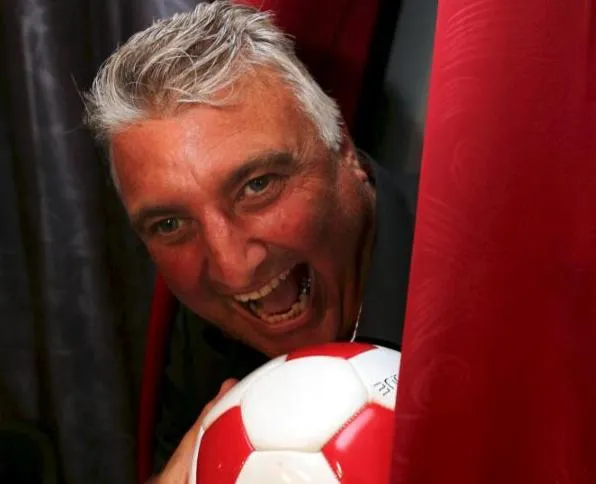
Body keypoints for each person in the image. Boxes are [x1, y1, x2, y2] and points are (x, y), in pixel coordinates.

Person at [85, 1, 413, 482]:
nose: (232, 268)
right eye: (171, 224)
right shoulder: (211, 319)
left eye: (257, 186)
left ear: (340, 147)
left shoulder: (499, 288)